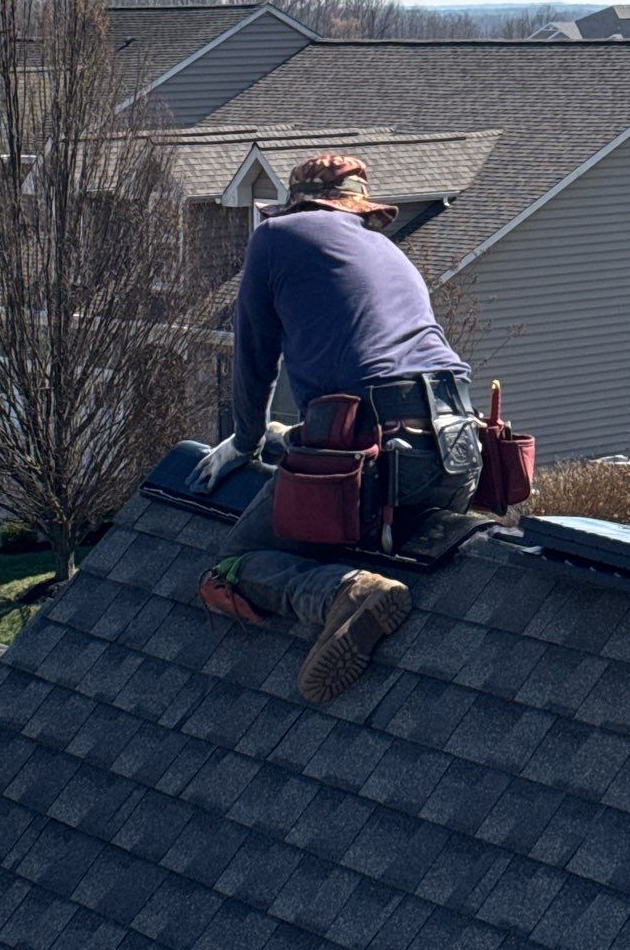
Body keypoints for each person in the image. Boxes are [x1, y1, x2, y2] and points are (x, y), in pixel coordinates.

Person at [189, 153, 482, 703]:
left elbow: (254, 360)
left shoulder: (274, 238)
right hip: (459, 451)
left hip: (375, 457)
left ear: (298, 203)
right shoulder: (390, 251)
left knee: (231, 566)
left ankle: (342, 595)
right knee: (366, 526)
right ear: (357, 208)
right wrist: (289, 436)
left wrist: (247, 440)